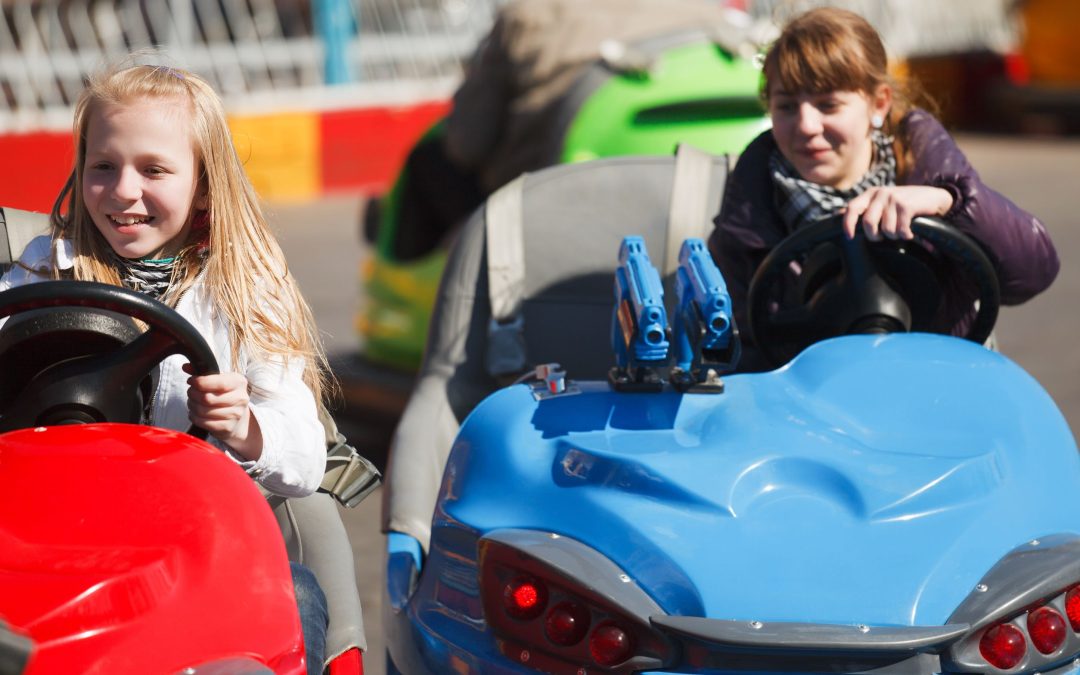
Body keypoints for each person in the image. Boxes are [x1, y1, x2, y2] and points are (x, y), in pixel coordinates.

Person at [0, 62, 331, 673]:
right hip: (59, 534)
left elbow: (307, 461)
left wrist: (242, 426)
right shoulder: (43, 269)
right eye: (103, 166)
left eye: (153, 170)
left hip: (200, 539)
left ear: (204, 185)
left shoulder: (246, 285)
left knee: (301, 592)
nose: (123, 190)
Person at [708, 7, 1059, 370]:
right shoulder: (750, 207)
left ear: (878, 104)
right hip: (814, 410)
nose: (807, 125)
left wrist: (947, 202)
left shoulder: (928, 166)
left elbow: (1034, 272)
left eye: (828, 105)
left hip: (941, 386)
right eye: (786, 106)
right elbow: (736, 350)